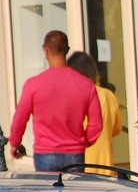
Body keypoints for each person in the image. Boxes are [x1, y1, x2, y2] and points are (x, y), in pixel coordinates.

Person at [9, 30, 103, 172]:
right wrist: (82, 142)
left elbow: (20, 119)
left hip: (45, 152)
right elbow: (96, 125)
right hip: (75, 153)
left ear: (46, 51)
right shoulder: (86, 85)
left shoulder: (34, 84)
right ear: (68, 50)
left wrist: (15, 143)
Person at [66, 51, 122, 170]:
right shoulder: (108, 95)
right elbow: (116, 129)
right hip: (106, 169)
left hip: (79, 169)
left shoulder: (71, 97)